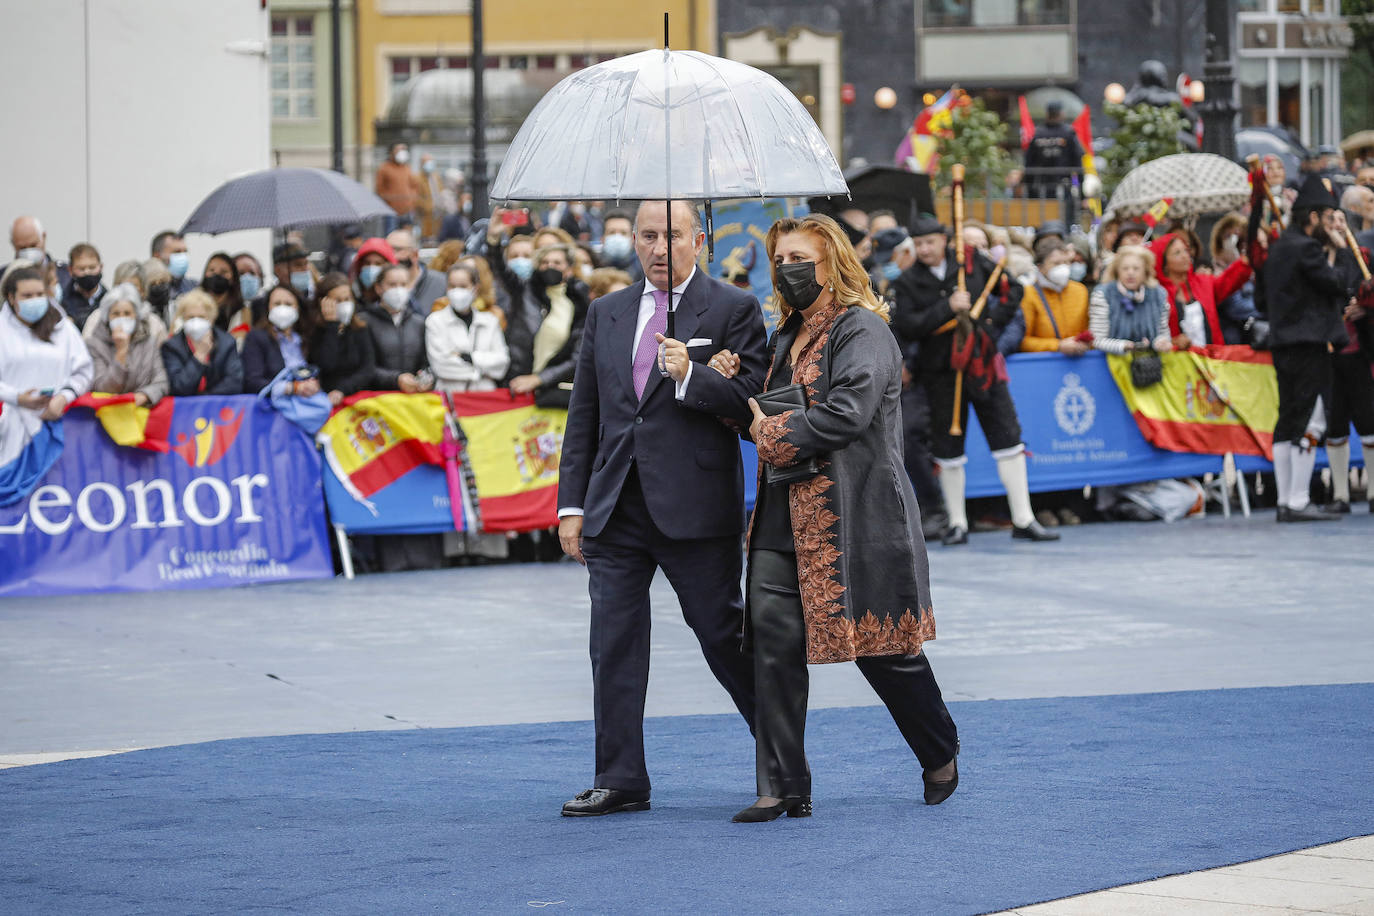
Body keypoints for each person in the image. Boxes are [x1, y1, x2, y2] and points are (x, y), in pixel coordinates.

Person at [727, 212, 958, 822]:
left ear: (834, 262)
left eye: (800, 258)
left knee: (884, 650)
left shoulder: (864, 331)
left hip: (858, 513)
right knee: (773, 653)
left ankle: (938, 748)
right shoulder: (785, 335)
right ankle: (782, 786)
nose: (787, 270)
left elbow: (848, 413)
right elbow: (761, 409)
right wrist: (712, 380)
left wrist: (773, 429)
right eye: (780, 260)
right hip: (780, 513)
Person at [555, 199, 767, 817]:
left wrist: (690, 374)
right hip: (615, 507)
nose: (656, 247)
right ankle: (620, 779)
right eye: (646, 235)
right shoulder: (607, 312)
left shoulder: (734, 309)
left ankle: (783, 762)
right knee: (613, 645)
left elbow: (755, 400)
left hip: (696, 509)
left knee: (724, 637)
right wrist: (572, 505)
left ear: (696, 240)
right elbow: (586, 415)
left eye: (670, 235)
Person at [892, 215, 1057, 545]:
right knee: (948, 447)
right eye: (919, 243)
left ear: (944, 240)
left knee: (1008, 436)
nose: (925, 249)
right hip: (941, 373)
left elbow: (1013, 291)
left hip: (982, 365)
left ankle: (1023, 518)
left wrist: (989, 328)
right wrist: (947, 308)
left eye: (931, 242)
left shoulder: (971, 263)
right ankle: (957, 523)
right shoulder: (906, 282)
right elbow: (908, 325)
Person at [1263, 174, 1349, 522]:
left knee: (1287, 420)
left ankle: (1286, 501)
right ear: (1312, 217)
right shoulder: (1307, 248)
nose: (1330, 225)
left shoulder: (1280, 247)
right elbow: (1336, 285)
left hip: (1283, 340)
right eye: (1327, 218)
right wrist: (1341, 254)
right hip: (1308, 341)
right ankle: (1297, 501)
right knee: (1310, 419)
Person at [0, 267, 93, 453]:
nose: (34, 300)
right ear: (11, 298)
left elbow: (84, 371)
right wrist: (17, 398)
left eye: (39, 294)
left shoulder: (63, 329)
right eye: (27, 295)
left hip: (58, 426)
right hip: (10, 435)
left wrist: (63, 397)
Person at [1321, 208, 1374, 513]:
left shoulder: (1364, 256)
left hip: (1360, 350)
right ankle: (1340, 495)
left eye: (1341, 220)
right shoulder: (1316, 257)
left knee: (1369, 420)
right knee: (1335, 422)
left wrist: (1366, 308)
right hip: (1327, 352)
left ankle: (1372, 492)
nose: (1337, 225)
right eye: (1330, 220)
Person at [503, 243, 588, 407]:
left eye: (557, 263)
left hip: (553, 391)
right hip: (516, 386)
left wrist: (539, 379)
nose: (550, 266)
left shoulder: (579, 304)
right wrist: (494, 240)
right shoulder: (524, 294)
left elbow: (578, 356)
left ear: (569, 269)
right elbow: (501, 269)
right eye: (545, 262)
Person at [1151, 231, 1251, 350]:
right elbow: (1152, 336)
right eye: (1177, 253)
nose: (1185, 256)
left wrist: (1246, 260)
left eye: (1186, 250)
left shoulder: (1203, 282)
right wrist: (1172, 342)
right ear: (1164, 263)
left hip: (1213, 361)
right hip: (1177, 364)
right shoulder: (1157, 295)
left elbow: (1229, 280)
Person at [425, 263, 509, 392]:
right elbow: (441, 365)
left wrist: (469, 358)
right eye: (452, 286)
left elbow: (501, 363)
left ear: (475, 288)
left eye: (463, 286)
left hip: (485, 396)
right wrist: (480, 371)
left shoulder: (490, 321)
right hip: (451, 395)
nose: (457, 291)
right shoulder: (435, 321)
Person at [85, 283, 170, 405]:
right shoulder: (94, 345)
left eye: (127, 313)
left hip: (141, 411)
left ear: (136, 316)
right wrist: (121, 352)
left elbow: (161, 381)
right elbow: (102, 388)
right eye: (116, 314)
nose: (122, 318)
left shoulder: (149, 342)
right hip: (107, 413)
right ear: (107, 317)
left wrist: (144, 395)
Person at [1088, 245, 1173, 355]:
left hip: (1149, 365)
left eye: (1136, 268)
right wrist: (1124, 346)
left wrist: (1161, 343)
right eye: (1125, 268)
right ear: (1117, 271)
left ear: (1146, 271)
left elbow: (1163, 332)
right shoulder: (1103, 294)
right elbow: (1096, 339)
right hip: (1111, 363)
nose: (1130, 273)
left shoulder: (1158, 294)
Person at [362, 263, 431, 393]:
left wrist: (425, 379)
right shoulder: (365, 321)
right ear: (378, 288)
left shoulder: (419, 322)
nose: (398, 290)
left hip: (413, 396)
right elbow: (364, 366)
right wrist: (396, 379)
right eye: (392, 285)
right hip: (377, 397)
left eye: (403, 285)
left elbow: (426, 363)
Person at [309, 272, 375, 406]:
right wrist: (332, 326)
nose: (344, 304)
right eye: (338, 300)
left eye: (347, 299)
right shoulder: (315, 331)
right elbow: (326, 365)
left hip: (356, 398)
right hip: (326, 400)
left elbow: (368, 369)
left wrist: (342, 390)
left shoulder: (360, 328)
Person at [161, 289, 244, 396]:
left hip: (218, 407)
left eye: (201, 317)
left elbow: (234, 383)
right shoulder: (171, 347)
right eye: (190, 317)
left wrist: (205, 398)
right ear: (182, 319)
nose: (196, 321)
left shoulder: (227, 343)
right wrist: (199, 357)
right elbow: (178, 387)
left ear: (211, 318)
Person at [1019, 238, 1091, 354]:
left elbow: (1088, 330)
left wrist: (1084, 342)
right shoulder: (1029, 294)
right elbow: (1023, 341)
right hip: (1045, 365)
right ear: (1040, 267)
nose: (1063, 268)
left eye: (1066, 262)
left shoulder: (1080, 291)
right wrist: (1057, 346)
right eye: (1056, 263)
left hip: (1078, 362)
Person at [241, 285, 314, 393]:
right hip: (274, 404)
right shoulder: (256, 338)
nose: (282, 308)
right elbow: (252, 381)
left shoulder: (304, 338)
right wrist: (291, 388)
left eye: (288, 304)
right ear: (268, 308)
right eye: (277, 304)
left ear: (298, 308)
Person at [1208, 214, 1264, 344]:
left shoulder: (1252, 269)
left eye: (1239, 239)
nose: (1234, 244)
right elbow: (1236, 308)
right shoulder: (1216, 272)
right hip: (1233, 337)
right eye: (1228, 237)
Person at [1023, 101, 1083, 200]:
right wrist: (1079, 188)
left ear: (1047, 114)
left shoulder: (1037, 133)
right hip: (1064, 185)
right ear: (1061, 114)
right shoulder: (1068, 133)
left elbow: (1029, 162)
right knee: (1064, 213)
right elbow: (1077, 161)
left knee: (1042, 213)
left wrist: (1030, 189)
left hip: (1040, 186)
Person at [386, 228, 446, 314]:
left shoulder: (441, 283)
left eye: (397, 250)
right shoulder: (381, 286)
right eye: (387, 250)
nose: (391, 256)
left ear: (415, 255)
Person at [201, 252, 252, 343]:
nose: (216, 275)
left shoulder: (243, 312)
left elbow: (241, 338)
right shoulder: (193, 305)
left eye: (223, 272)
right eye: (211, 270)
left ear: (233, 278)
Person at [375, 142, 420, 234]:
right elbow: (379, 190)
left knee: (407, 238)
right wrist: (391, 200)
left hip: (407, 211)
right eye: (399, 149)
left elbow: (415, 185)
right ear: (391, 152)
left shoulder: (407, 168)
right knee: (391, 236)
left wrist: (412, 200)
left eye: (404, 149)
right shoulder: (384, 168)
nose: (402, 152)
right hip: (391, 212)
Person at [61, 243, 105, 330]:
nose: (87, 272)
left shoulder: (108, 299)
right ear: (70, 270)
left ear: (100, 267)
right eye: (81, 269)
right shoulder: (62, 300)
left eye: (92, 267)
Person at [349, 237, 398, 310]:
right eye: (367, 263)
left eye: (378, 264)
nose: (371, 268)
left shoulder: (396, 300)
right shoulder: (350, 295)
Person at [151, 230, 196, 296]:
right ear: (157, 257)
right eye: (177, 252)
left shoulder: (194, 287)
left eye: (185, 252)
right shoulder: (145, 289)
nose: (183, 256)